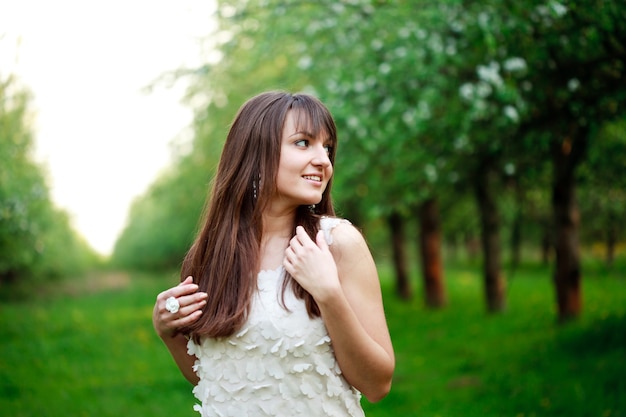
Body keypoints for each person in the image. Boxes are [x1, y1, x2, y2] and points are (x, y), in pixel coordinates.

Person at [152, 91, 395, 416]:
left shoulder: (337, 243)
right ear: (255, 152)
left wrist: (329, 294)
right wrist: (168, 334)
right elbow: (217, 379)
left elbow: (378, 384)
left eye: (328, 148)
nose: (324, 160)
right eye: (303, 142)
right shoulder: (210, 256)